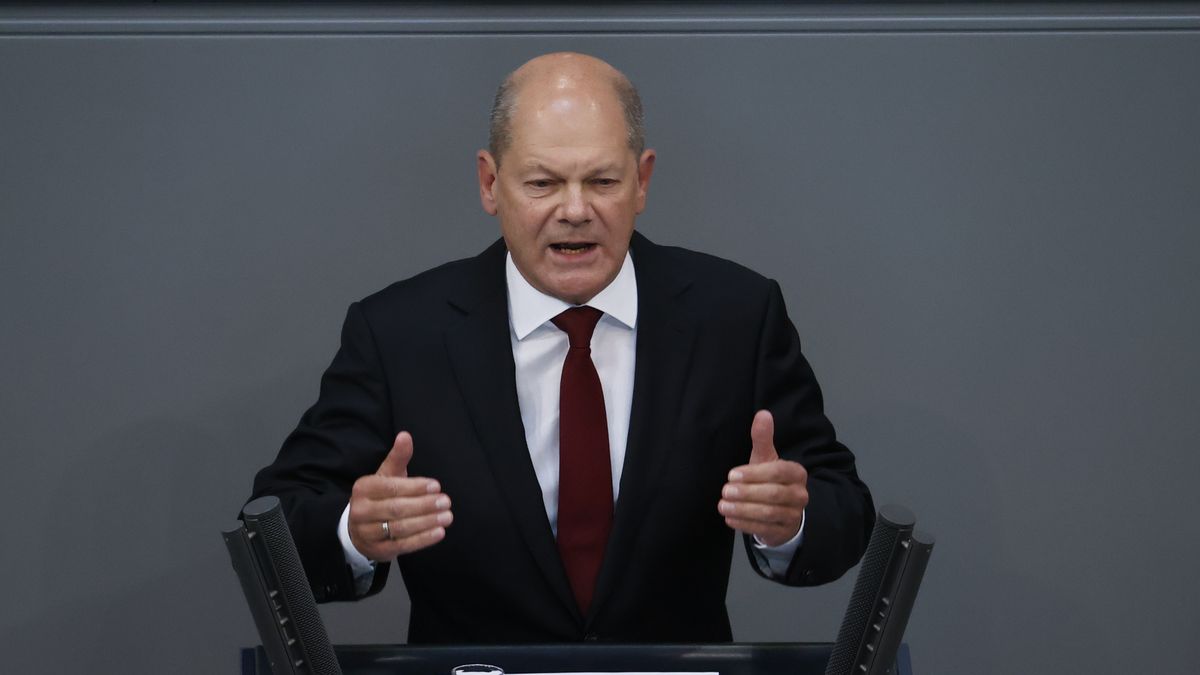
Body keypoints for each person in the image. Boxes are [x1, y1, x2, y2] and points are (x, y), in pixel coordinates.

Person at [249, 51, 873, 644]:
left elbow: (843, 505)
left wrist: (791, 520)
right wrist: (353, 532)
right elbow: (273, 526)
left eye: (602, 180)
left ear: (642, 181)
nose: (575, 210)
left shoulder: (735, 315)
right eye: (543, 183)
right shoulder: (399, 333)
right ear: (490, 183)